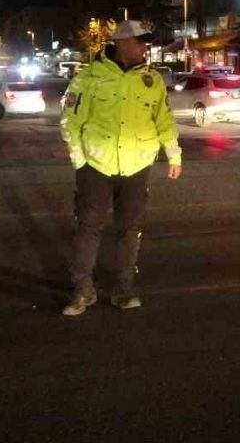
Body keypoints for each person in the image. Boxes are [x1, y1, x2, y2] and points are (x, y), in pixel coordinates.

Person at [59, 20, 182, 316]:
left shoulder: (151, 80)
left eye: (145, 42)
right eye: (139, 42)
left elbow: (163, 119)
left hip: (137, 166)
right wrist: (80, 160)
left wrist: (173, 154)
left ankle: (123, 289)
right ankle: (82, 290)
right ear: (121, 44)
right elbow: (70, 122)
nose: (144, 47)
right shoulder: (89, 78)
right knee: (89, 228)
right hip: (96, 166)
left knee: (130, 230)